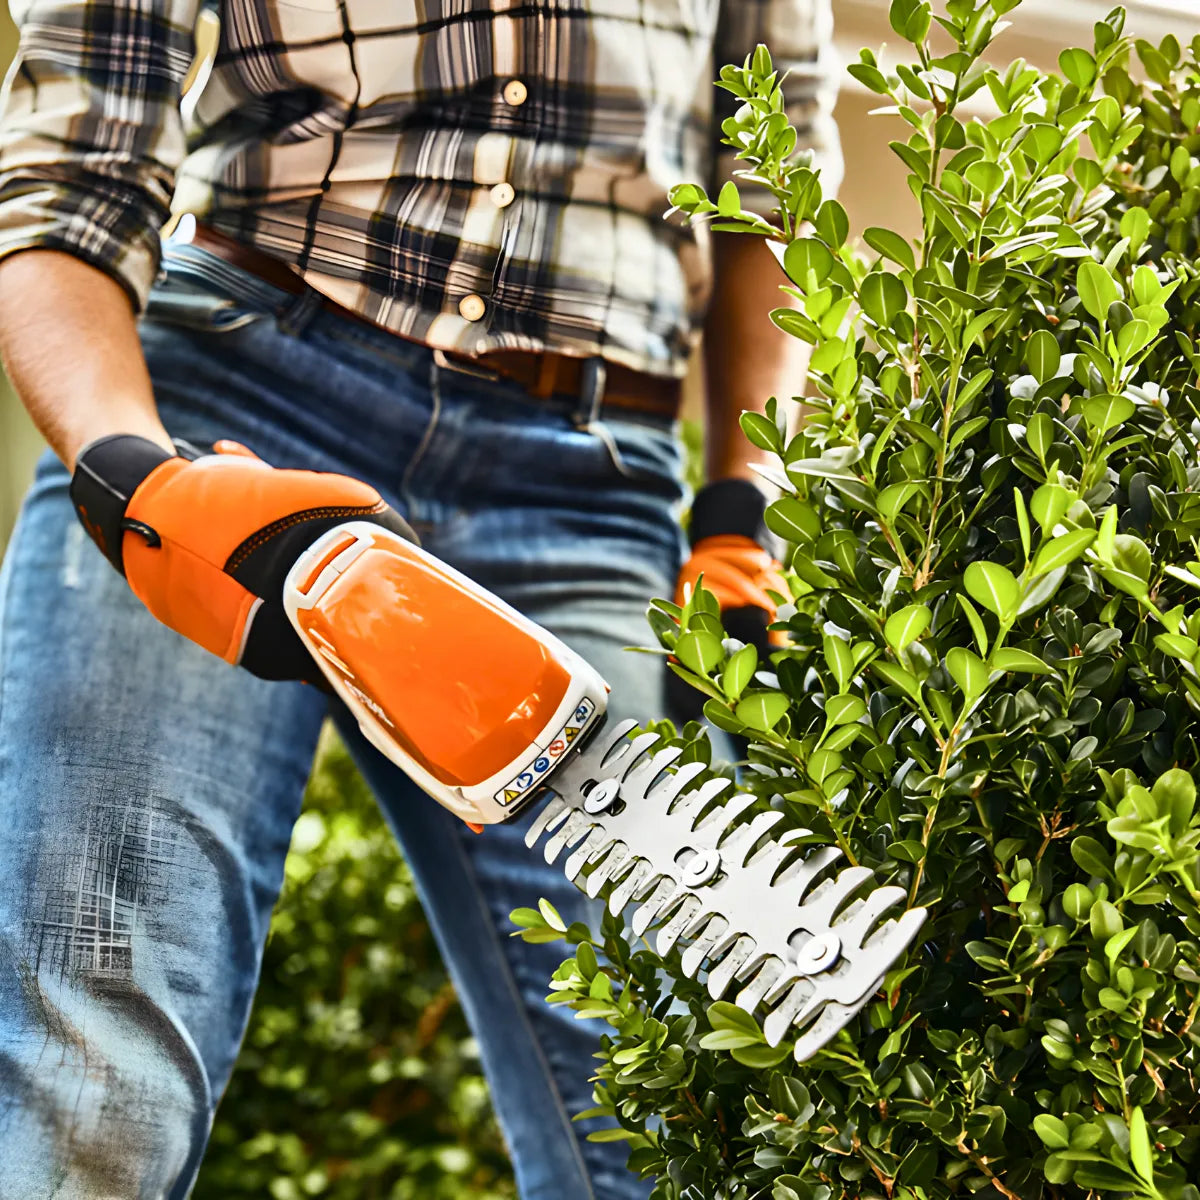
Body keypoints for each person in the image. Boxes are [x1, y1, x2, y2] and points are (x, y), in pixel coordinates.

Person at [0, 0, 840, 1195]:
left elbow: (772, 184)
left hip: (590, 488)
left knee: (659, 1121)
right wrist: (131, 472)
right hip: (234, 411)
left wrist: (745, 501)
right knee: (94, 1089)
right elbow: (75, 161)